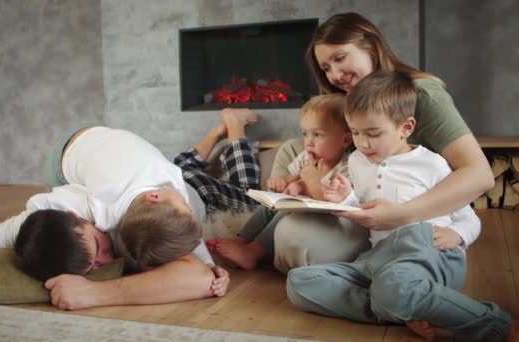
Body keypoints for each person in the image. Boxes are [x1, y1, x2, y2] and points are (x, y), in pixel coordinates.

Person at [0, 108, 261, 310]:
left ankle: (232, 129)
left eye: (100, 247)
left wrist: (95, 293)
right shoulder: (42, 219)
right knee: (183, 169)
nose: (109, 259)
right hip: (88, 160)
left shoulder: (115, 205)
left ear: (79, 218)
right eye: (95, 265)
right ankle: (0, 225)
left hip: (96, 157)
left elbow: (198, 278)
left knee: (246, 196)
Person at [286, 70, 511, 340]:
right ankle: (404, 307)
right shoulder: (357, 161)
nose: (362, 142)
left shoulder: (431, 163)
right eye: (355, 132)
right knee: (299, 283)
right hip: (379, 256)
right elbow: (364, 208)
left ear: (406, 128)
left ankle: (494, 323)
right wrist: (346, 199)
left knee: (392, 287)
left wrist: (459, 235)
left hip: (428, 251)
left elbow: (468, 215)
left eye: (373, 133)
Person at [272, 12, 495, 273]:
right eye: (325, 68)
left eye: (340, 58)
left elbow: (480, 175)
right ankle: (262, 235)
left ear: (370, 45)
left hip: (405, 217)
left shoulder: (421, 94)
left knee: (294, 240)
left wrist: (401, 215)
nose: (334, 74)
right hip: (357, 202)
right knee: (289, 150)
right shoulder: (347, 102)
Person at [206, 94, 364, 270]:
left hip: (328, 220)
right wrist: (281, 183)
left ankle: (253, 252)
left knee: (286, 209)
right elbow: (290, 177)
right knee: (271, 204)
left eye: (318, 135)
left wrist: (309, 180)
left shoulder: (346, 166)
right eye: (305, 134)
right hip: (306, 207)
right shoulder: (305, 157)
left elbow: (325, 201)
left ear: (345, 140)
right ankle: (241, 241)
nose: (309, 142)